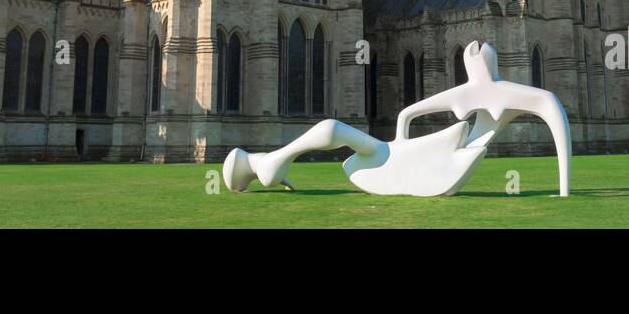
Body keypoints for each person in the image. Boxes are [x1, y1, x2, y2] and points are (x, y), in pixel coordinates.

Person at [222, 40, 572, 197]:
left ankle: (263, 163)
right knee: (338, 132)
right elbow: (553, 112)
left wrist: (564, 188)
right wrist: (563, 189)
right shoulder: (487, 92)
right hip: (410, 158)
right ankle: (264, 162)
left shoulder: (486, 93)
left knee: (337, 131)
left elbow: (408, 113)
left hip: (421, 161)